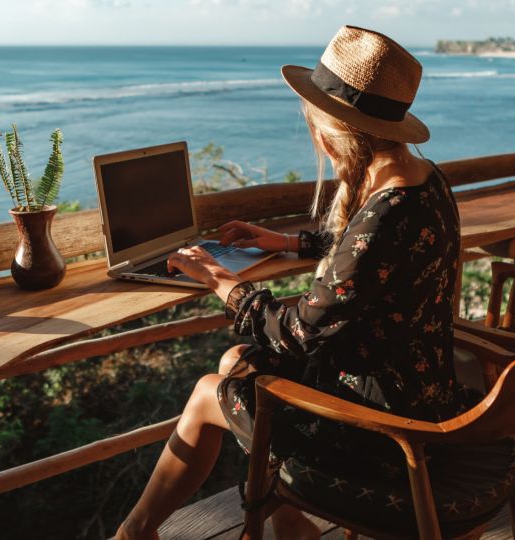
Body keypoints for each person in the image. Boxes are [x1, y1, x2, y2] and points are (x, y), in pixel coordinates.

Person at [117, 26, 467, 539]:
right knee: (236, 362)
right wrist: (286, 244)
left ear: (331, 133)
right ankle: (286, 523)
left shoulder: (386, 211)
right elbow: (376, 264)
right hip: (422, 393)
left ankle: (133, 534)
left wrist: (217, 277)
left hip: (386, 431)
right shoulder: (424, 179)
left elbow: (300, 331)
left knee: (208, 392)